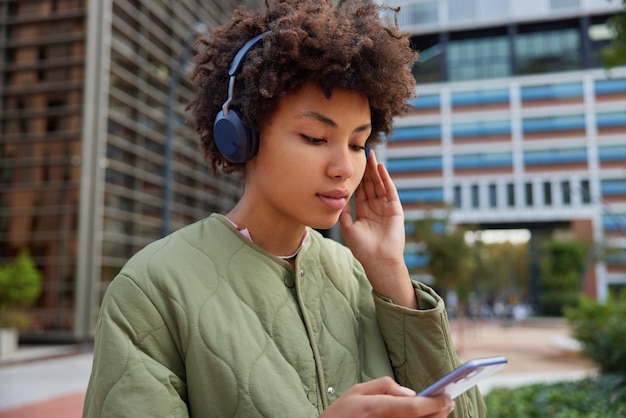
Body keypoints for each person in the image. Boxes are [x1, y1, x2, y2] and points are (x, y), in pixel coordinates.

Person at [83, 1, 486, 417]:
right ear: (240, 135)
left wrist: (390, 273)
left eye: (356, 144)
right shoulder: (152, 289)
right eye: (315, 137)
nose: (344, 168)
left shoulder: (361, 276)